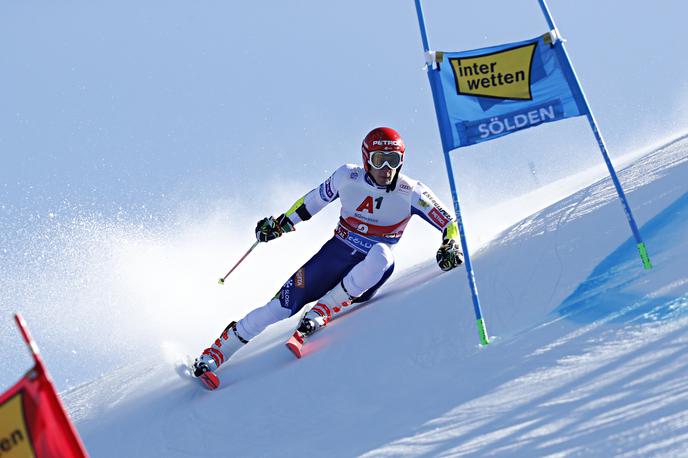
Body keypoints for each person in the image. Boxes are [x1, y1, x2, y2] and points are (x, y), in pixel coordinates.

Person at [192, 127, 464, 377]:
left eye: (393, 160)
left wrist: (449, 245)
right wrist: (280, 225)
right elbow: (311, 203)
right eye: (380, 159)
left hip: (369, 272)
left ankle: (322, 311)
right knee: (278, 307)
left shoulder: (411, 191)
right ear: (367, 158)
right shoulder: (348, 176)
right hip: (332, 257)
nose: (386, 169)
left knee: (383, 253)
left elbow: (449, 222)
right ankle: (216, 353)